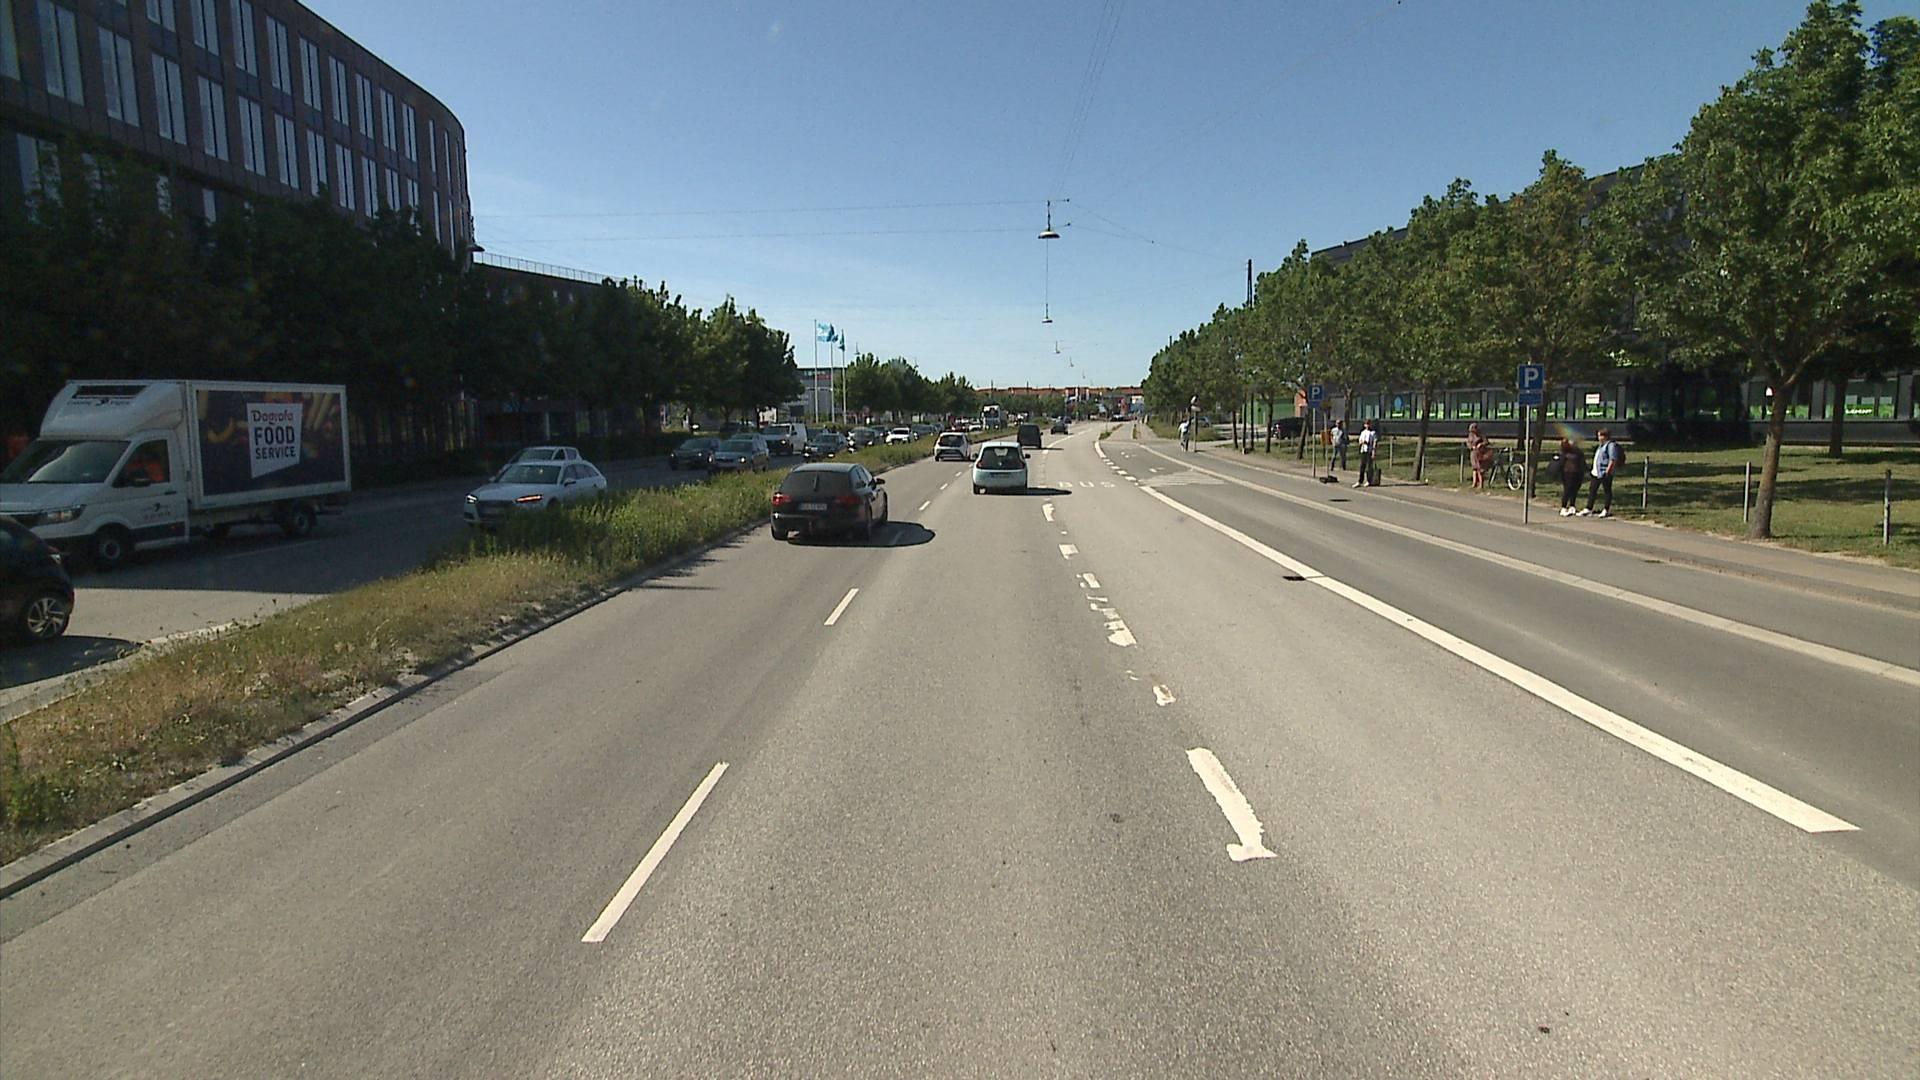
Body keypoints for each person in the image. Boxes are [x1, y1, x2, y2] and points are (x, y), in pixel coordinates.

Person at [1579, 428, 1621, 517]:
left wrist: (1608, 471)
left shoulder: (1611, 445)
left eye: (1600, 436)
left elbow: (1612, 459)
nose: (1598, 438)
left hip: (1604, 472)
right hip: (1596, 472)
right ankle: (1588, 508)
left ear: (1605, 436)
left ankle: (1606, 509)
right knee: (1592, 490)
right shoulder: (1601, 446)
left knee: (1607, 491)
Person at [1555, 437, 1586, 516]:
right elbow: (1561, 462)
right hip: (1567, 473)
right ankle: (1563, 507)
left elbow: (1582, 462)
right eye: (1572, 442)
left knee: (1575, 490)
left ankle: (1572, 505)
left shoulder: (1578, 451)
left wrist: (1584, 470)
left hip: (1577, 473)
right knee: (1567, 490)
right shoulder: (1565, 451)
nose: (1574, 443)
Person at [1465, 423, 1492, 489]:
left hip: (1480, 453)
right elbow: (1468, 442)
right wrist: (1471, 447)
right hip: (1473, 453)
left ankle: (1481, 484)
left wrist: (1481, 444)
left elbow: (1486, 442)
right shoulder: (1470, 435)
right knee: (1474, 468)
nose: (1472, 432)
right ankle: (1474, 483)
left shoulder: (1481, 434)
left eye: (1473, 430)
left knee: (1479, 468)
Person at [1355, 419, 1379, 488]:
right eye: (1366, 424)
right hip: (1363, 450)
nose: (1367, 425)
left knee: (1369, 467)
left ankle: (1369, 480)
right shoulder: (1363, 432)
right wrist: (1361, 442)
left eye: (1368, 424)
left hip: (1369, 450)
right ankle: (1360, 481)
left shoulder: (1373, 433)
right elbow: (1359, 440)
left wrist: (1373, 451)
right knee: (1362, 466)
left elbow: (1375, 442)